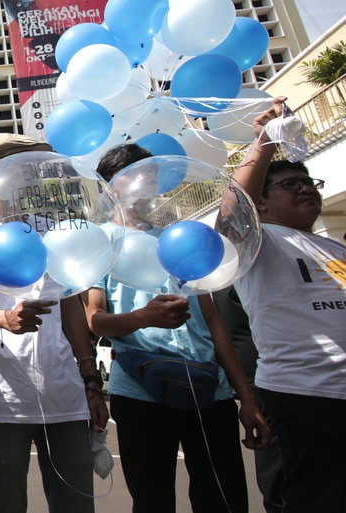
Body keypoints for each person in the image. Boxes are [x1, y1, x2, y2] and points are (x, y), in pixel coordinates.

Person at [83, 143, 271, 513]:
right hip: (140, 388)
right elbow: (94, 318)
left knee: (224, 495)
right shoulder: (101, 241)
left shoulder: (180, 235)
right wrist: (142, 318)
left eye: (152, 173)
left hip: (209, 387)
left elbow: (213, 320)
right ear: (112, 185)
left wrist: (244, 395)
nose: (148, 181)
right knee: (152, 497)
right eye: (137, 173)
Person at [0, 133, 107, 513]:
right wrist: (3, 318)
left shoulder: (53, 229)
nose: (30, 176)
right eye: (22, 167)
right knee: (7, 499)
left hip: (63, 392)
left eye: (36, 169)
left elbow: (69, 309)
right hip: (2, 395)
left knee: (76, 500)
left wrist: (90, 381)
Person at [227, 96, 346, 513]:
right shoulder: (258, 242)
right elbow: (232, 211)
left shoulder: (335, 248)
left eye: (309, 182)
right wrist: (264, 143)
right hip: (307, 396)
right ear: (261, 203)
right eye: (290, 185)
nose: (306, 189)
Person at [212, 286, 283, 513]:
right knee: (280, 480)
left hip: (321, 389)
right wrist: (250, 396)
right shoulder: (232, 281)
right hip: (273, 388)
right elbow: (237, 340)